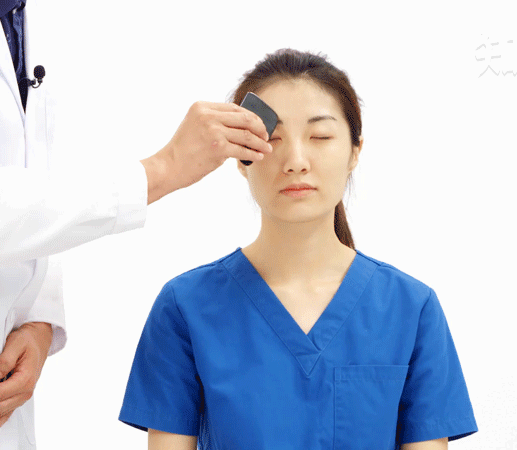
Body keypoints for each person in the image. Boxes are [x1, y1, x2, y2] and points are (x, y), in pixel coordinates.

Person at [0, 0, 272, 448]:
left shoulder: (20, 15)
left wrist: (38, 318)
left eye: (321, 136)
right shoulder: (189, 307)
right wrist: (161, 170)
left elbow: (32, 176)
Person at [119, 49, 478, 449]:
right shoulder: (186, 307)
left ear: (355, 151)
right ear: (240, 158)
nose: (296, 161)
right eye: (271, 139)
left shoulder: (411, 308)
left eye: (320, 137)